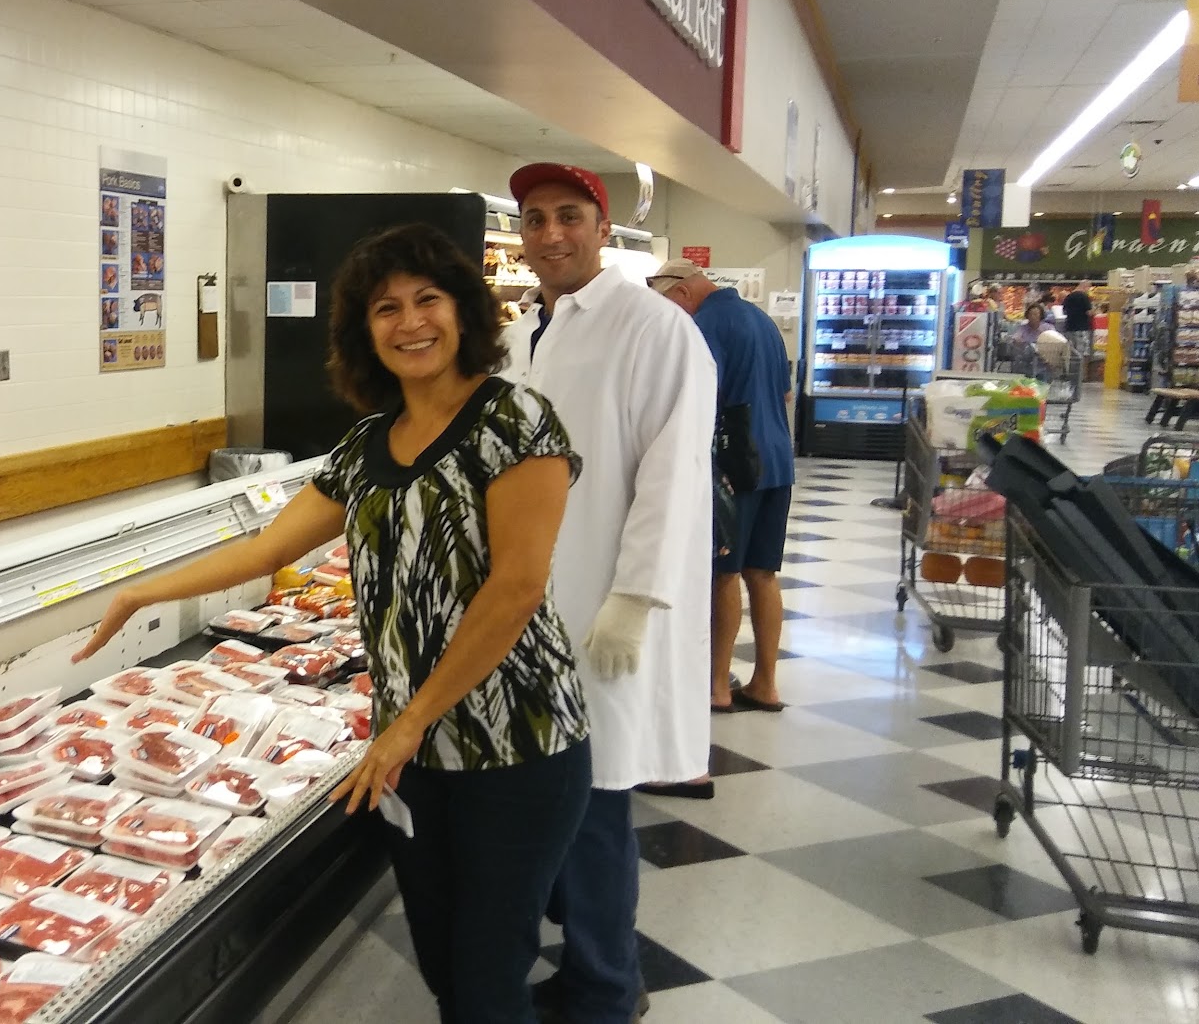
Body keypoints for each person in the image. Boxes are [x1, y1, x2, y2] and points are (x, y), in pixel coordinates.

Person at [74, 223, 591, 1024]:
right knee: (444, 963)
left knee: (489, 976)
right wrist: (142, 592)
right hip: (414, 755)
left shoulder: (514, 419)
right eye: (386, 308)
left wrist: (408, 722)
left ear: (463, 311)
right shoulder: (365, 445)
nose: (410, 322)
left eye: (427, 299)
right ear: (364, 331)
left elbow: (517, 588)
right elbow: (267, 548)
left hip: (515, 742)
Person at [501, 164, 716, 1024]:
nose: (551, 233)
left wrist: (634, 597)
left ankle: (606, 986)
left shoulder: (654, 327)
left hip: (599, 610)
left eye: (569, 216)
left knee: (593, 802)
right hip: (522, 608)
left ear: (602, 227)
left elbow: (674, 474)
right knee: (546, 800)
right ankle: (583, 964)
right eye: (534, 219)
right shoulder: (521, 335)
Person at [647, 262, 795, 717]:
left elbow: (698, 398)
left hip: (735, 465)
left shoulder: (706, 323)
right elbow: (785, 394)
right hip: (779, 460)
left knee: (723, 573)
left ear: (683, 293)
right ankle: (765, 683)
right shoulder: (762, 320)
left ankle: (716, 686)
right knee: (763, 573)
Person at [1061, 280, 1094, 398]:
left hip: (1069, 328)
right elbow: (1089, 312)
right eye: (1088, 287)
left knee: (1071, 353)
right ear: (1085, 286)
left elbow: (1064, 311)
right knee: (1081, 353)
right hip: (1081, 328)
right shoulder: (1084, 297)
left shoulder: (1069, 296)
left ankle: (1070, 374)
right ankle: (1081, 376)